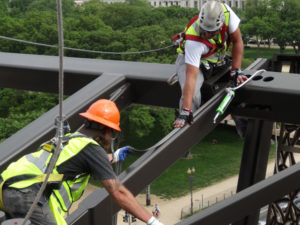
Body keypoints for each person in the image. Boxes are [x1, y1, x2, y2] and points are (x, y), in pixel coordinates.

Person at [0, 99, 163, 225]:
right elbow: (118, 192)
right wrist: (152, 221)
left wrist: (113, 157)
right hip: (26, 194)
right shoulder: (92, 148)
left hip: (7, 187)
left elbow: (72, 162)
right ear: (107, 130)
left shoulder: (67, 139)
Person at [173, 1, 248, 135]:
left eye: (211, 32)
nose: (207, 35)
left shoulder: (226, 13)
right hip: (191, 62)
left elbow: (237, 40)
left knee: (240, 87)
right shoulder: (193, 41)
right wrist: (186, 109)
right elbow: (191, 76)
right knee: (193, 96)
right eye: (204, 31)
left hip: (216, 61)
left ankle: (247, 133)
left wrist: (236, 69)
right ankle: (186, 136)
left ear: (220, 26)